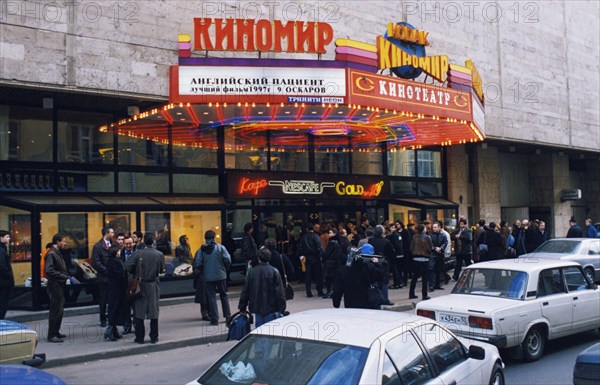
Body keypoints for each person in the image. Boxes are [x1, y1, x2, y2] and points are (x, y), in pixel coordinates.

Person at [126, 233, 166, 344]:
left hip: (140, 284)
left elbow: (127, 266)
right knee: (154, 312)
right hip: (153, 285)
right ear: (153, 242)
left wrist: (135, 275)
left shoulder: (138, 253)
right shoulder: (159, 254)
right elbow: (162, 269)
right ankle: (154, 337)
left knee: (139, 312)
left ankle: (139, 338)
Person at [238, 247, 287, 328]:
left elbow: (245, 291)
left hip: (257, 306)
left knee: (259, 329)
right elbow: (280, 292)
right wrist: (282, 307)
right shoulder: (274, 271)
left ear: (258, 258)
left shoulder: (252, 272)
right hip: (272, 307)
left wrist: (242, 306)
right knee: (270, 331)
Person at [196, 230, 232, 326]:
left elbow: (198, 263)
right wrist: (224, 268)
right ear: (214, 237)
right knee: (224, 296)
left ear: (205, 238)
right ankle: (228, 316)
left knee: (211, 297)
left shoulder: (201, 250)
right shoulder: (220, 248)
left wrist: (204, 270)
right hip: (221, 275)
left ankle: (214, 318)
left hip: (208, 276)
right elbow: (228, 259)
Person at [44, 233, 68, 342]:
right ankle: (52, 334)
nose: (65, 243)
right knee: (55, 310)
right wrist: (63, 276)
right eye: (63, 241)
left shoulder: (57, 253)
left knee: (59, 309)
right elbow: (49, 270)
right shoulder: (51, 253)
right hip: (54, 284)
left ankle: (56, 331)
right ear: (57, 241)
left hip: (58, 284)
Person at [92, 226, 116, 327]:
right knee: (103, 299)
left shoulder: (114, 244)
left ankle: (112, 317)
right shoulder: (98, 246)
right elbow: (96, 262)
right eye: (112, 232)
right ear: (106, 233)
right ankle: (103, 318)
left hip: (114, 277)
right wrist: (107, 271)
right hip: (103, 277)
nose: (113, 234)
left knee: (112, 298)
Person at [104, 240, 128, 342]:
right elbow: (119, 274)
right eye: (119, 250)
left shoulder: (114, 260)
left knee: (116, 308)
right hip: (116, 288)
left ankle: (114, 331)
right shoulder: (114, 261)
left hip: (116, 288)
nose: (120, 251)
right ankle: (109, 331)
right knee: (114, 309)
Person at [368, 225, 395, 305]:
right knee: (384, 281)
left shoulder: (371, 240)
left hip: (373, 261)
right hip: (383, 262)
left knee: (375, 280)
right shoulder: (386, 241)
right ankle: (384, 299)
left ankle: (375, 297)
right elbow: (391, 253)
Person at [298, 223, 324, 298]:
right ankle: (319, 291)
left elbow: (300, 249)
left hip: (306, 258)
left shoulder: (303, 237)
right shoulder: (316, 236)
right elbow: (319, 247)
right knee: (318, 275)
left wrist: (301, 256)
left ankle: (308, 292)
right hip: (315, 257)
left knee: (307, 276)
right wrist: (321, 256)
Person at [409, 224, 432, 301]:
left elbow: (411, 247)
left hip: (415, 258)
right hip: (424, 258)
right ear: (423, 229)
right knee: (425, 278)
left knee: (414, 277)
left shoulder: (414, 237)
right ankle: (424, 295)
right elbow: (430, 248)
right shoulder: (427, 237)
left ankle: (411, 293)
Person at [322, 229, 342, 299]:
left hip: (330, 263)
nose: (329, 234)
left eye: (330, 233)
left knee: (328, 278)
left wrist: (323, 257)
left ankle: (329, 292)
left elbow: (327, 253)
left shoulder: (332, 243)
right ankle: (334, 292)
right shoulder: (338, 242)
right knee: (334, 278)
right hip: (336, 263)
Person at [428, 222, 448, 291]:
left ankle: (438, 284)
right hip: (432, 254)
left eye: (435, 227)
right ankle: (431, 286)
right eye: (433, 227)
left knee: (439, 270)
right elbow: (429, 243)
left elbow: (445, 242)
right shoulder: (430, 235)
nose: (434, 229)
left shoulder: (443, 235)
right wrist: (435, 248)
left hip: (440, 254)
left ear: (439, 227)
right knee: (432, 270)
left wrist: (441, 248)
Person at [0, 230, 14, 319]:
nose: (9, 239)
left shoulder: (3, 249)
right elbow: (2, 266)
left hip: (3, 282)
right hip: (3, 283)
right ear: (1, 238)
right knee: (2, 304)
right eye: (7, 237)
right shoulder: (1, 250)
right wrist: (9, 276)